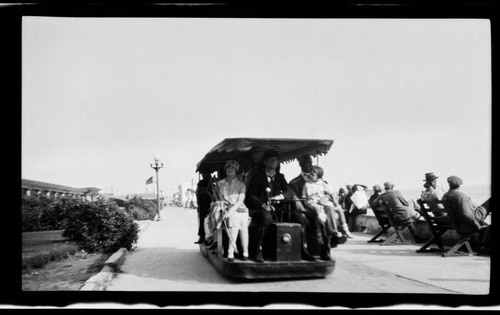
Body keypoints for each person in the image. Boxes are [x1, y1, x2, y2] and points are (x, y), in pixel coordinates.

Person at [289, 154, 342, 261]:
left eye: (309, 161)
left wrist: (326, 198)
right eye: (304, 162)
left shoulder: (322, 182)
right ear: (300, 164)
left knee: (324, 218)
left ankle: (325, 250)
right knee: (309, 220)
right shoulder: (294, 183)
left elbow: (330, 194)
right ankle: (305, 250)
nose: (308, 164)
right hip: (304, 210)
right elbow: (293, 198)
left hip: (319, 208)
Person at [245, 149, 295, 262]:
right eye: (271, 160)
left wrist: (280, 197)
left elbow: (289, 191)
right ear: (264, 162)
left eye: (276, 160)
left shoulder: (280, 177)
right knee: (266, 217)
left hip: (277, 208)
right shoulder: (257, 177)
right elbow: (251, 196)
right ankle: (258, 250)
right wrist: (263, 205)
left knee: (297, 216)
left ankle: (301, 249)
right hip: (260, 209)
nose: (274, 162)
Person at [302, 165, 353, 238]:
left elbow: (332, 193)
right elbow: (304, 197)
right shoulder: (307, 184)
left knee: (334, 209)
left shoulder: (323, 184)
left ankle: (339, 231)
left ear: (318, 176)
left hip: (323, 203)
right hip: (312, 203)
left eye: (313, 174)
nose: (311, 175)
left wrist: (335, 203)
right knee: (320, 210)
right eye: (310, 173)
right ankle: (328, 232)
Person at [215, 160, 249, 261]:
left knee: (243, 224)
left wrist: (232, 210)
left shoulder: (241, 185)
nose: (230, 170)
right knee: (234, 221)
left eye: (233, 168)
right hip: (225, 208)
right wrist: (225, 209)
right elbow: (217, 198)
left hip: (240, 208)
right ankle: (231, 251)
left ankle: (245, 251)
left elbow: (240, 201)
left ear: (236, 171)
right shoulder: (219, 184)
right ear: (225, 170)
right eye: (228, 168)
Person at [194, 171, 213, 244]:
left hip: (210, 203)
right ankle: (202, 237)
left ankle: (209, 238)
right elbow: (199, 193)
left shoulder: (212, 183)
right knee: (202, 221)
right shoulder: (201, 183)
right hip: (202, 204)